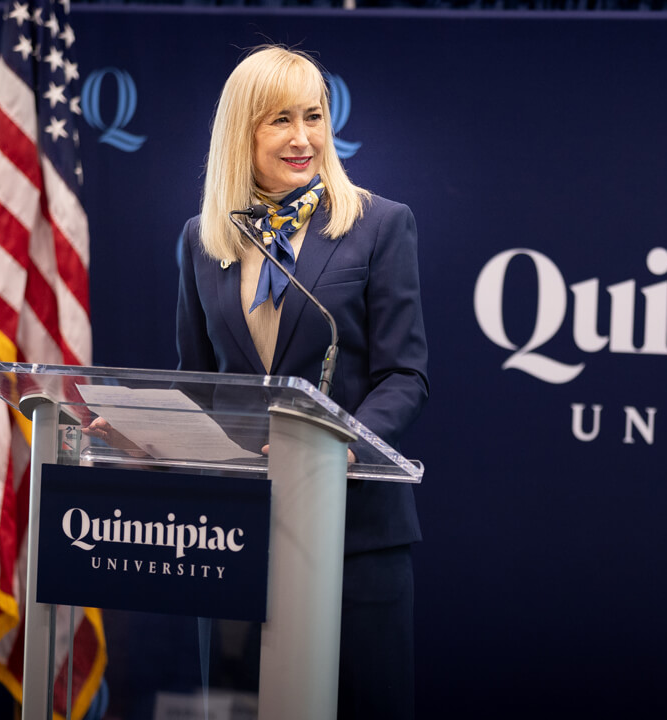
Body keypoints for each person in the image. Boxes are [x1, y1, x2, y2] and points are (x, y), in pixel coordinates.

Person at [176, 45, 428, 718]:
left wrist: (342, 444)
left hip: (355, 541)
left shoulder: (378, 225)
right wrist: (152, 438)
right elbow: (199, 383)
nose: (303, 138)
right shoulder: (203, 240)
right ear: (242, 133)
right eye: (279, 120)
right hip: (234, 538)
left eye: (314, 116)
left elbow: (404, 375)